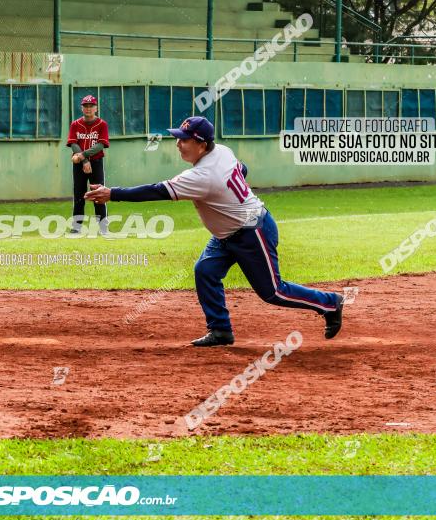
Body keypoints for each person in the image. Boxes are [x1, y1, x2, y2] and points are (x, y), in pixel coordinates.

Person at [85, 116, 344, 347]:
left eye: (184, 139)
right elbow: (242, 170)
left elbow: (157, 191)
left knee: (273, 292)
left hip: (252, 233)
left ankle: (330, 303)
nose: (178, 143)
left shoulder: (202, 176)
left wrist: (112, 194)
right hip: (227, 234)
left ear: (200, 144)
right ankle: (220, 330)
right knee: (205, 271)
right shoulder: (221, 150)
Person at [66, 95, 109, 234]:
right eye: (86, 106)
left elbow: (101, 144)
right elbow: (73, 143)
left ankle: (103, 228)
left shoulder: (102, 124)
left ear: (96, 108)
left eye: (91, 106)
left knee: (99, 194)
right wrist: (84, 161)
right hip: (79, 164)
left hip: (96, 162)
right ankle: (76, 228)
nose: (88, 108)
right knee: (79, 194)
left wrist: (83, 156)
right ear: (82, 108)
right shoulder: (75, 124)